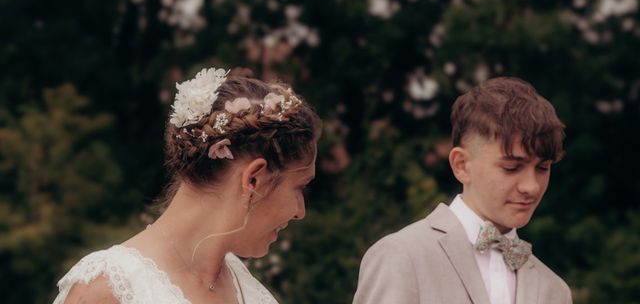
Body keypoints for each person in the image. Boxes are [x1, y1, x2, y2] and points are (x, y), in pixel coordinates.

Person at [53, 67, 321, 304]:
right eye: (301, 187)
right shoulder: (108, 291)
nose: (300, 211)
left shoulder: (244, 286)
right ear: (254, 179)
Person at [353, 77, 572, 304]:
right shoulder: (401, 257)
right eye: (511, 167)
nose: (531, 186)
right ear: (461, 165)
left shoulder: (555, 291)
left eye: (542, 168)